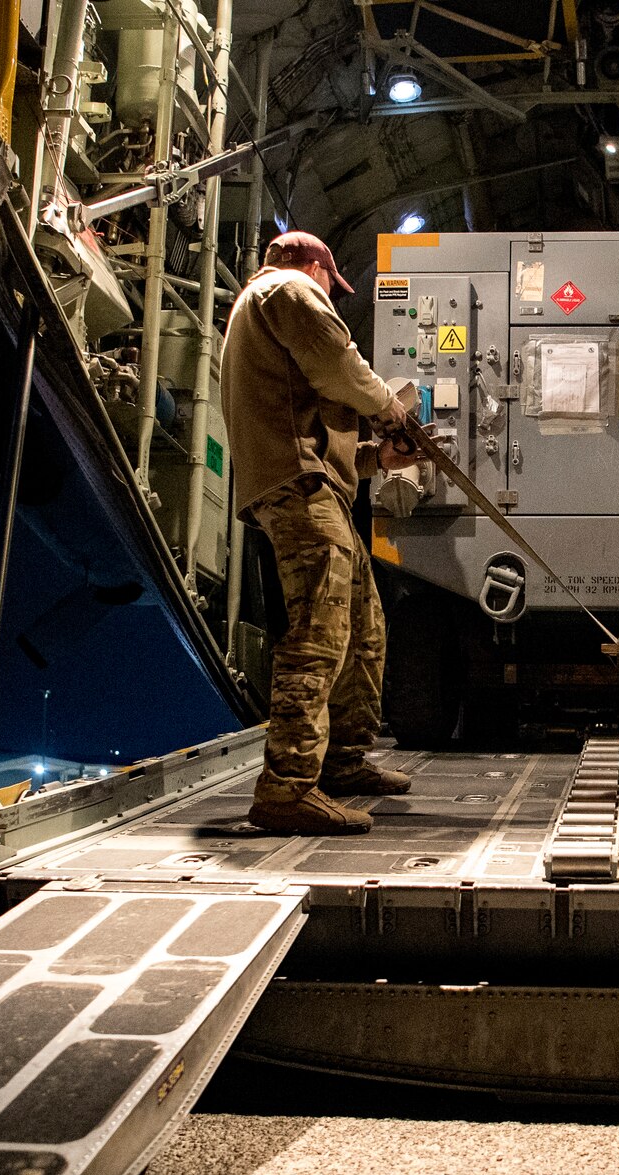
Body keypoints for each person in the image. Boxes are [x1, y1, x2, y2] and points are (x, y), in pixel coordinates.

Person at [221, 231, 418, 836]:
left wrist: (378, 459)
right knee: (320, 631)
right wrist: (390, 406)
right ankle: (286, 788)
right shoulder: (288, 289)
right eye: (334, 283)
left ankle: (342, 761)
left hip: (314, 484)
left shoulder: (267, 313)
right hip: (299, 489)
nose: (333, 294)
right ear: (317, 267)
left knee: (362, 623)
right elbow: (339, 363)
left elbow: (317, 434)